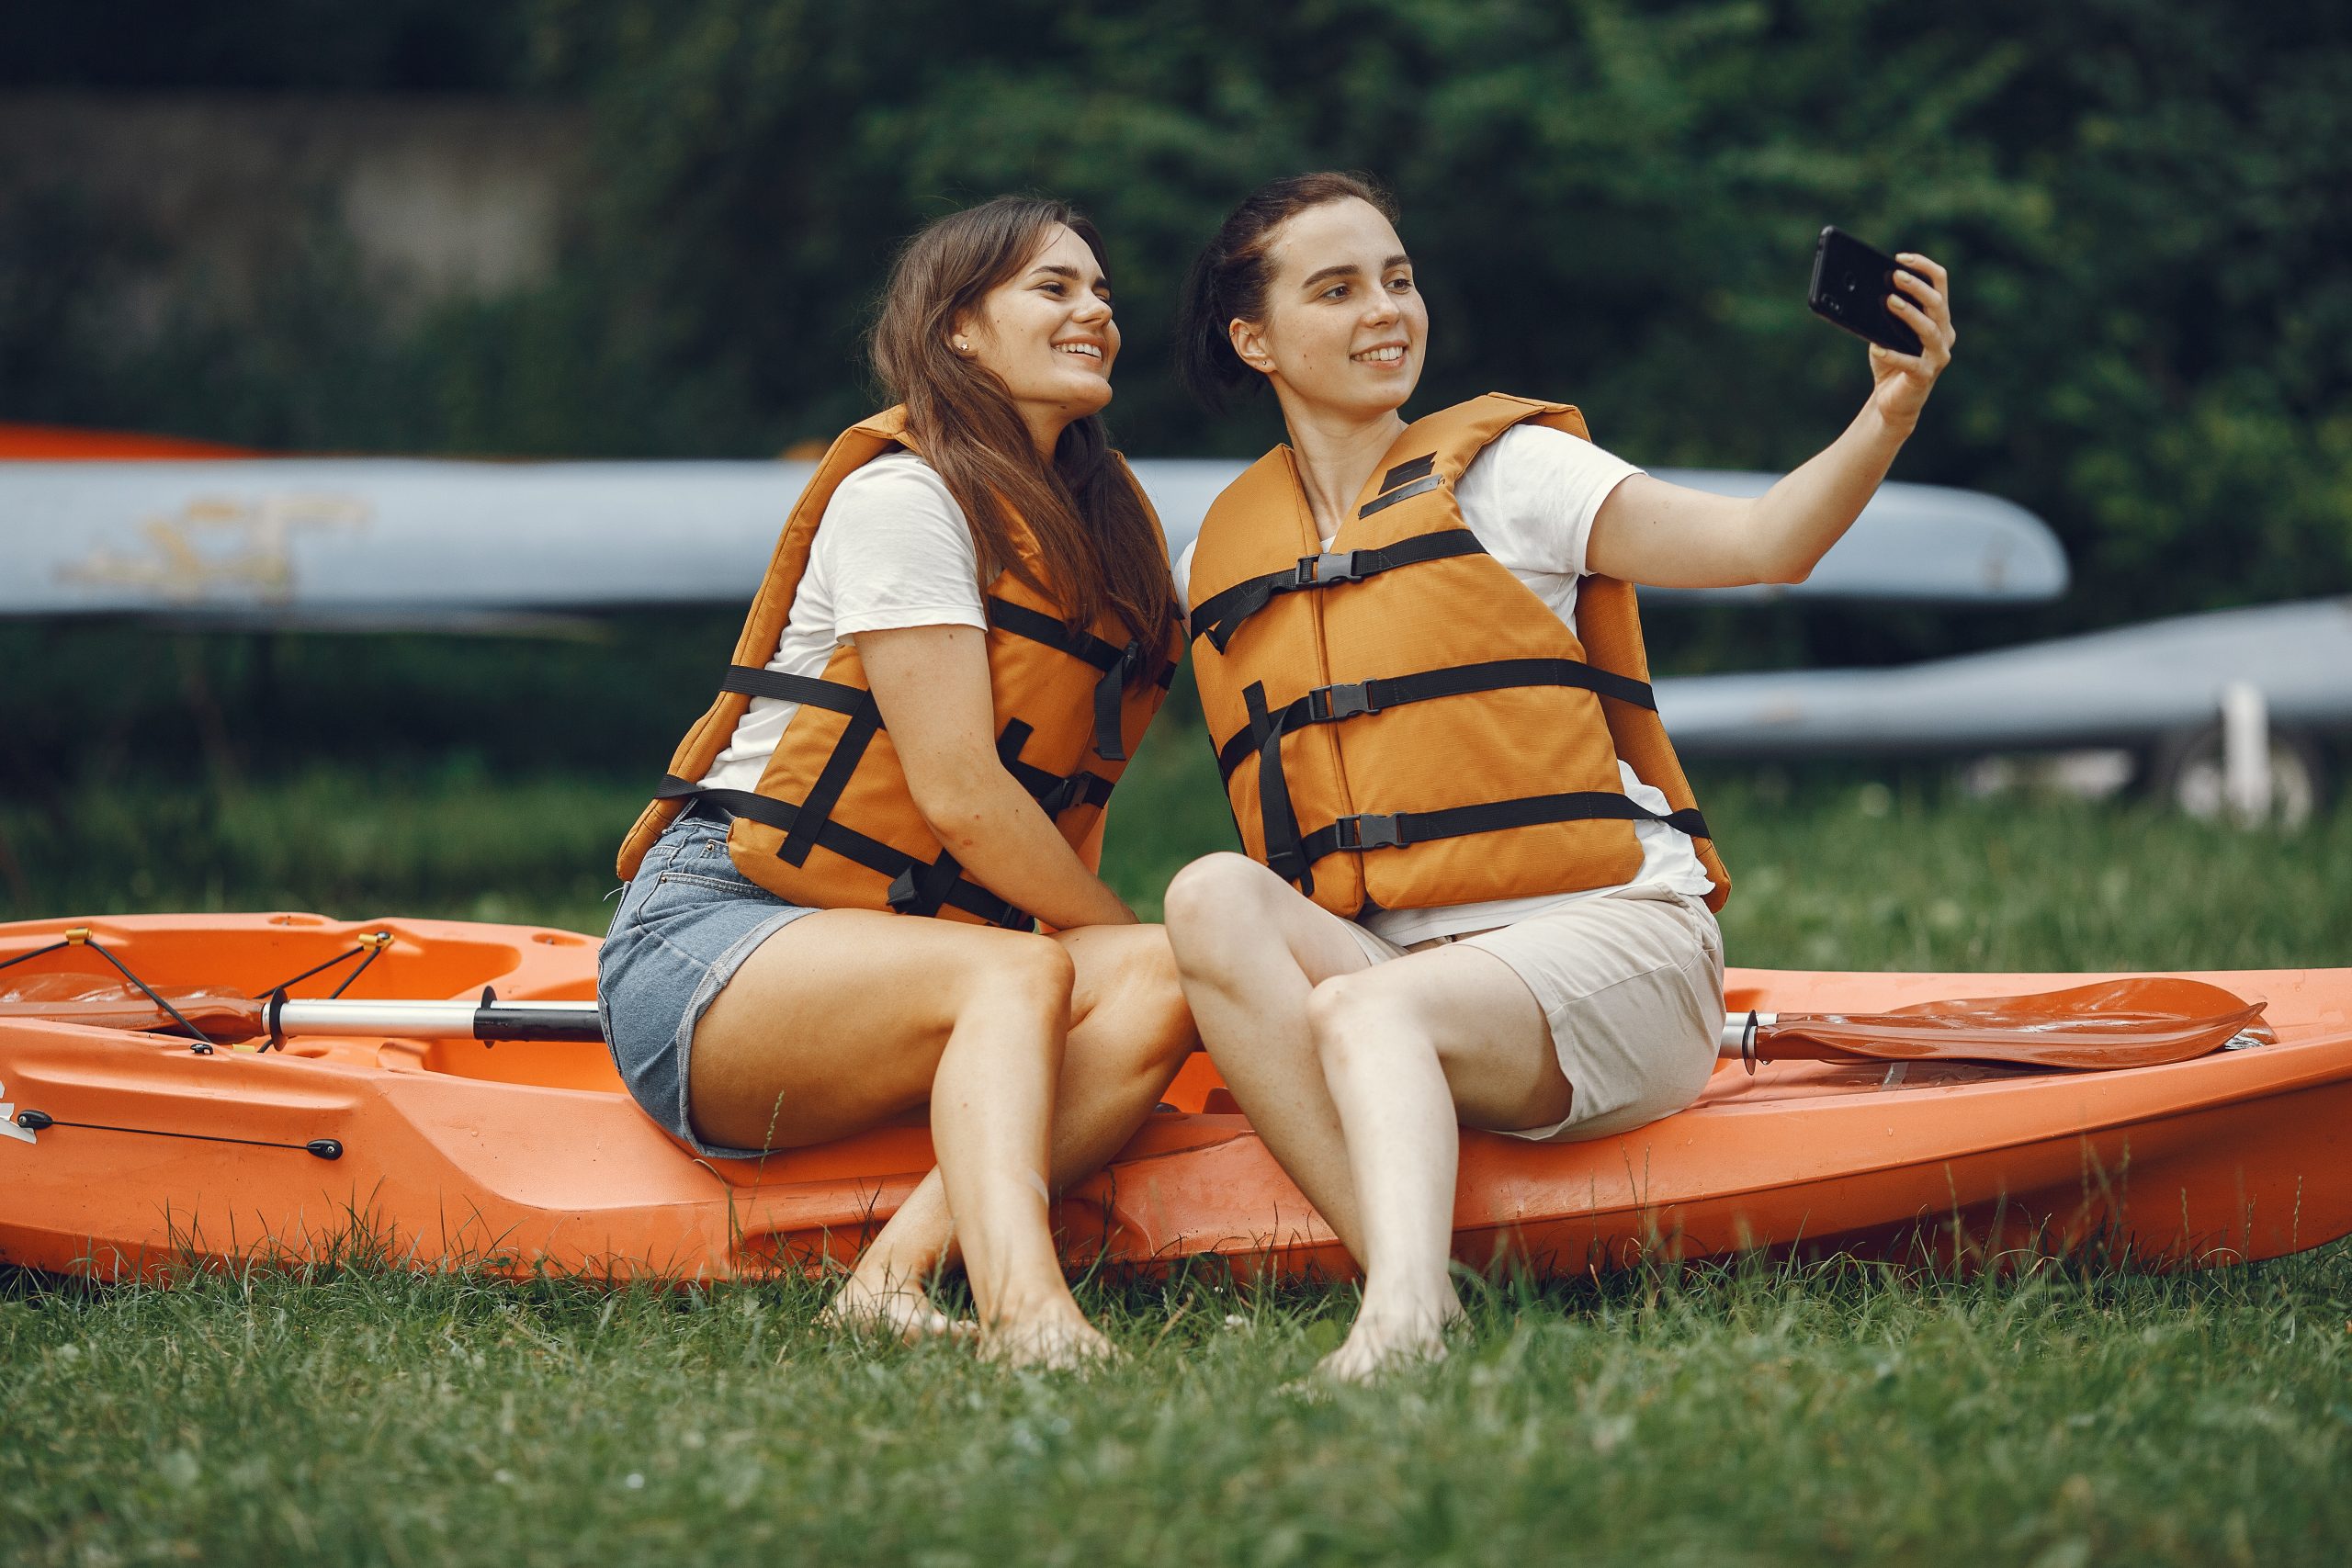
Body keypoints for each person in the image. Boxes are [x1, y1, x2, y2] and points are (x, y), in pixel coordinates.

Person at [1163, 173, 1955, 1381]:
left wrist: (1890, 412)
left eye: (1399, 277)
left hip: (1615, 945)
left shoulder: (1513, 472)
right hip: (1417, 974)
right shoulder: (1219, 552)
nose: (1387, 310)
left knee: (1366, 1007)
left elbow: (1765, 543)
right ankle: (1412, 1277)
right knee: (1208, 894)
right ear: (1252, 337)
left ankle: (1404, 1323)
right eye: (1338, 289)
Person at [600, 197, 1193, 1368]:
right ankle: (1027, 1315)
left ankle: (889, 1279)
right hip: (718, 933)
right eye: (1054, 288)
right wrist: (1092, 947)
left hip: (909, 957)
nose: (1095, 313)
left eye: (1102, 292)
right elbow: (963, 791)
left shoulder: (1099, 526)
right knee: (1045, 964)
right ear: (959, 330)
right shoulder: (905, 497)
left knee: (1170, 965)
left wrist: (1119, 958)